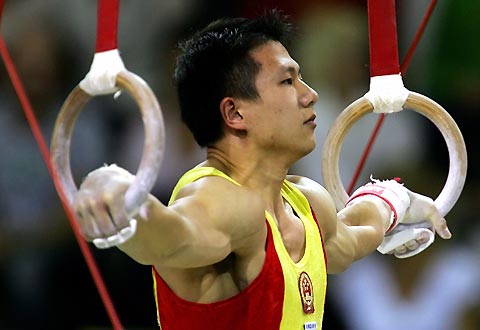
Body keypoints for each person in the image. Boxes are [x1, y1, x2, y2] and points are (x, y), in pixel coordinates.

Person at [72, 11, 451, 329]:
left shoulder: (307, 203)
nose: (310, 94)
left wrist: (398, 200)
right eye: (288, 80)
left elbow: (355, 231)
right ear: (235, 113)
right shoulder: (217, 200)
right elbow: (170, 236)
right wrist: (114, 188)